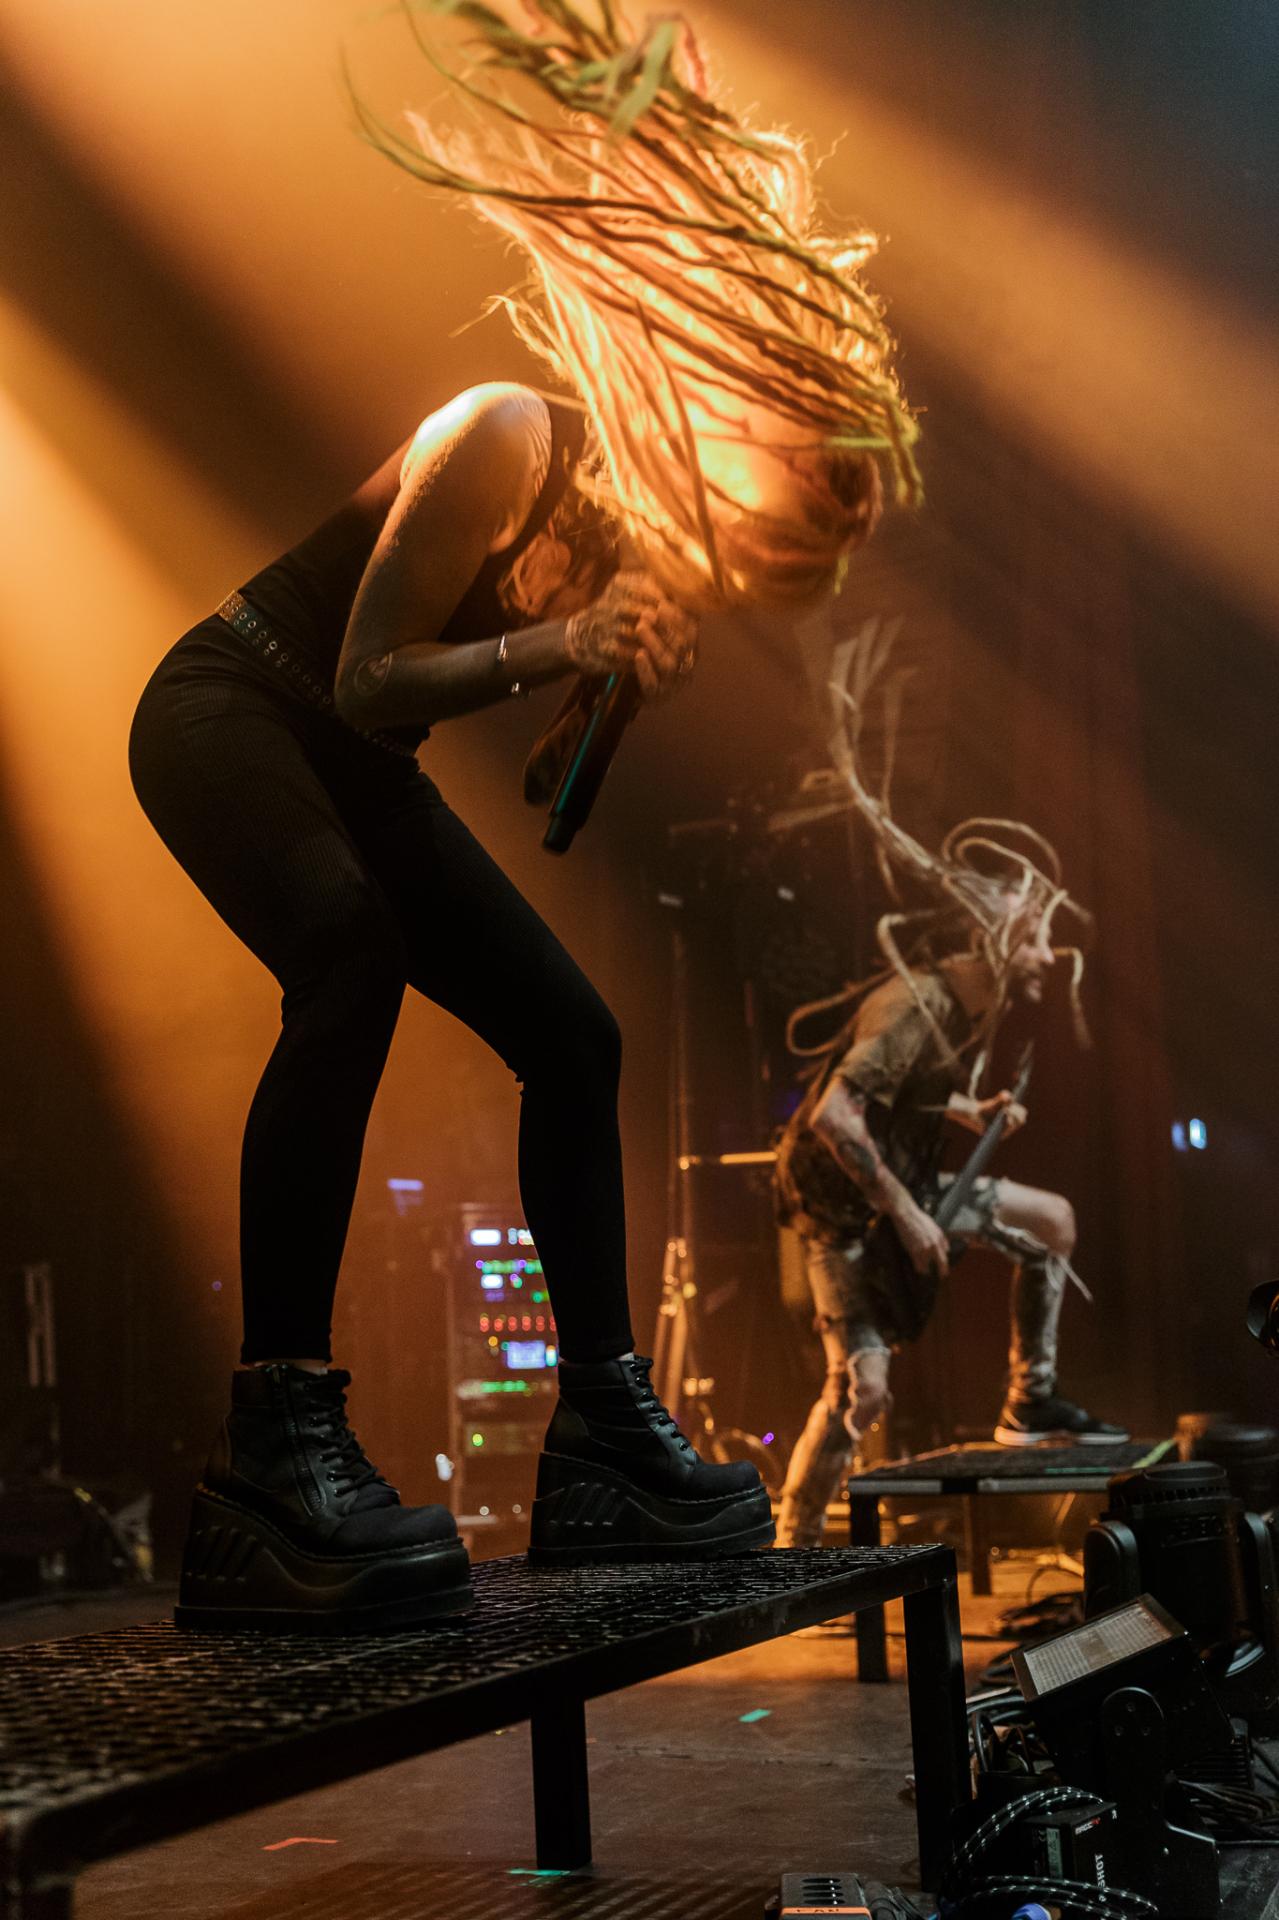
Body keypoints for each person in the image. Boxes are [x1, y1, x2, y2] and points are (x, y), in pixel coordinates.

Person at [128, 2, 919, 1630]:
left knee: (572, 1035)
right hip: (231, 702)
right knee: (345, 954)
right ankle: (273, 1445)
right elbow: (364, 679)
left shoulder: (638, 544)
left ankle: (601, 1437)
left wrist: (600, 689)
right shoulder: (501, 431)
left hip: (356, 758)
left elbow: (528, 776)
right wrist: (560, 643)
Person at [771, 628, 1126, 1548]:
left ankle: (1029, 1400)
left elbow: (907, 1102)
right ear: (993, 935)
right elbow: (833, 1113)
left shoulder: (976, 1009)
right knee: (862, 1390)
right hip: (843, 1212)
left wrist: (973, 1111)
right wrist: (907, 1215)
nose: (1048, 954)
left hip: (902, 1183)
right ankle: (790, 1549)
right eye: (1035, 936)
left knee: (1051, 1223)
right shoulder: (916, 1003)